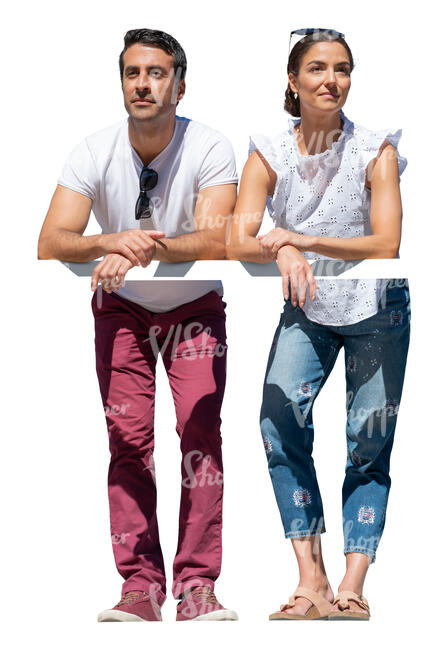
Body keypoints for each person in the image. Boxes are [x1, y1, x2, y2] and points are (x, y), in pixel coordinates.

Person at [37, 28, 239, 622]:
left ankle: (198, 586)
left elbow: (218, 235)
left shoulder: (209, 145)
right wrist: (110, 240)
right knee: (128, 445)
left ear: (180, 84)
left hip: (194, 308)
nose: (143, 84)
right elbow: (52, 240)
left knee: (198, 440)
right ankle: (140, 587)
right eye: (132, 73)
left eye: (155, 73)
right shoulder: (93, 149)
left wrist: (142, 248)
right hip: (120, 308)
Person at [226, 28, 410, 620]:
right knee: (278, 421)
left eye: (342, 69)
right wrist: (280, 251)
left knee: (368, 441)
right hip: (308, 309)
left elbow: (385, 243)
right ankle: (312, 580)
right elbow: (238, 236)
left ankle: (355, 582)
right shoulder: (268, 151)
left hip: (378, 309)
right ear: (293, 79)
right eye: (317, 68)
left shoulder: (375, 148)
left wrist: (299, 238)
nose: (331, 80)